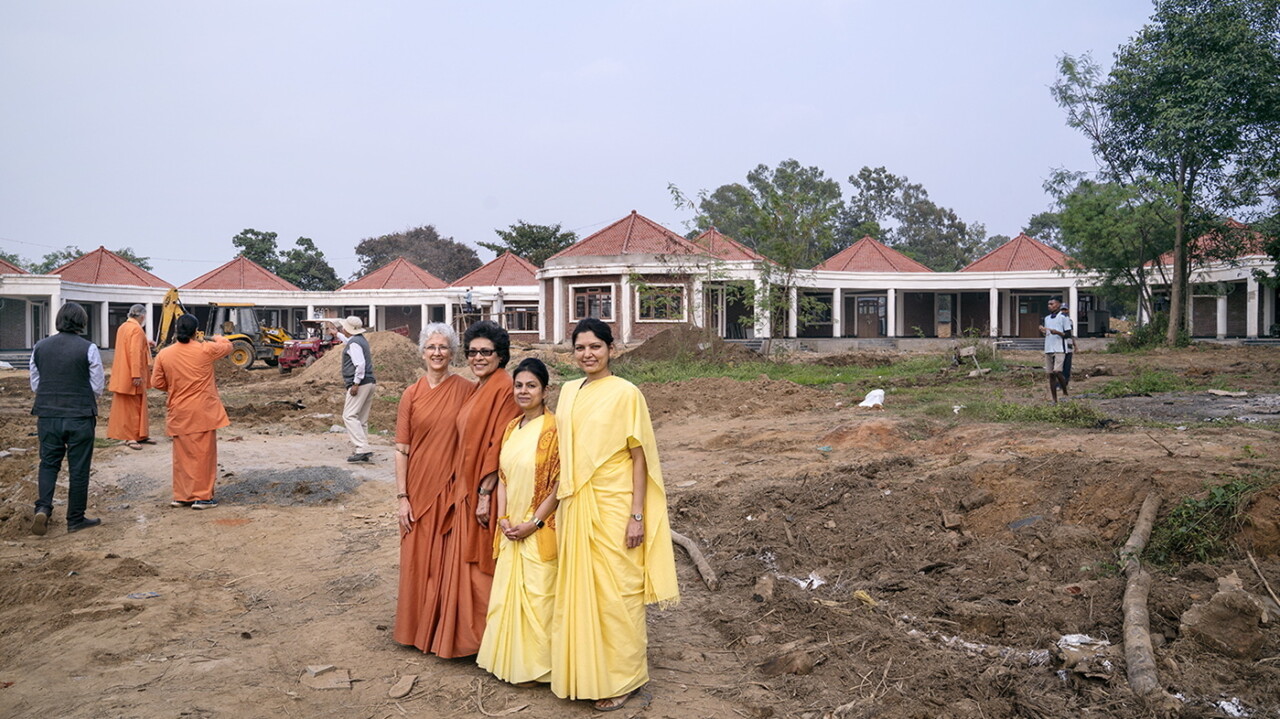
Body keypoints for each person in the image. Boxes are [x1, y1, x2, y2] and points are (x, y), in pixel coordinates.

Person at [551, 317, 679, 711]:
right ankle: (583, 674)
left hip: (614, 506)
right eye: (580, 348)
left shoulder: (627, 394)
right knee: (578, 594)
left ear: (611, 349)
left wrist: (636, 515)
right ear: (573, 353)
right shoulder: (568, 392)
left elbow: (640, 459)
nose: (588, 354)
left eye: (595, 347)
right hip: (575, 507)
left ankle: (623, 679)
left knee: (617, 595)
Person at [432, 320, 520, 657]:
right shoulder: (479, 386)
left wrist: (484, 494)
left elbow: (499, 444)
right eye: (472, 352)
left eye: (486, 352)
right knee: (469, 566)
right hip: (466, 489)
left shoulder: (504, 387)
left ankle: (488, 643)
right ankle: (469, 640)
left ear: (500, 355)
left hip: (485, 493)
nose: (478, 357)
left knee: (483, 566)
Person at [477, 357, 561, 685]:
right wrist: (503, 519)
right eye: (519, 385)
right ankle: (514, 665)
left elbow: (558, 484)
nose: (523, 391)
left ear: (545, 390)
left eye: (531, 386)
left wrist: (533, 523)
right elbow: (504, 478)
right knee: (507, 600)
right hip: (511, 527)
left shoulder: (555, 429)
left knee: (540, 600)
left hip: (539, 528)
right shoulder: (512, 428)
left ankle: (542, 671)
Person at [393, 323, 475, 652]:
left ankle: (442, 631)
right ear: (422, 352)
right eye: (431, 347)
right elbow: (401, 449)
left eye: (443, 347)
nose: (437, 353)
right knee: (417, 561)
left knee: (446, 562)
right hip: (417, 490)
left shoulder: (467, 390)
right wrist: (402, 497)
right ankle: (415, 630)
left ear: (452, 353)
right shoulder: (410, 394)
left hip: (452, 489)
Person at [29, 302, 104, 535]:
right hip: (80, 415)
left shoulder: (39, 347)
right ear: (82, 323)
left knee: (49, 463)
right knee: (78, 468)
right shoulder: (89, 348)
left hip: (48, 414)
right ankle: (75, 519)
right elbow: (97, 386)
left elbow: (35, 384)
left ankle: (43, 508)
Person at [151, 314, 232, 509]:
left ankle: (182, 496)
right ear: (196, 331)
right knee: (203, 455)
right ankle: (203, 497)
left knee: (182, 456)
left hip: (179, 410)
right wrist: (216, 337)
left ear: (176, 330)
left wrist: (176, 387)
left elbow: (156, 383)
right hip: (203, 411)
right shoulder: (205, 349)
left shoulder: (164, 354)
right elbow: (228, 346)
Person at [107, 303, 155, 450]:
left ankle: (139, 434)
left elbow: (128, 345)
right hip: (132, 375)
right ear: (142, 316)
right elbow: (134, 353)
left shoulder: (123, 327)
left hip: (122, 373)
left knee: (134, 405)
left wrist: (146, 344)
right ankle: (130, 437)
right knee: (131, 407)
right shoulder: (136, 329)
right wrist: (136, 375)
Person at [338, 316, 377, 463]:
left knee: (349, 415)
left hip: (360, 383)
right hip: (369, 382)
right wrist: (337, 335)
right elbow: (349, 342)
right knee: (361, 419)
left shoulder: (354, 344)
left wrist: (355, 383)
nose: (343, 329)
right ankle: (364, 448)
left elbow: (359, 364)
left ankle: (362, 448)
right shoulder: (360, 340)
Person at [1038, 297, 1073, 404]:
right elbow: (1046, 334)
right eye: (1048, 304)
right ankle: (1054, 399)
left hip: (1059, 348)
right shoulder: (1047, 318)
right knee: (1051, 374)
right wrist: (1043, 331)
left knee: (1057, 371)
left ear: (1058, 305)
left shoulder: (1064, 318)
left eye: (1052, 304)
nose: (1049, 306)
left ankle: (1065, 392)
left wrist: (1057, 332)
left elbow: (1068, 334)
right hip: (1049, 347)